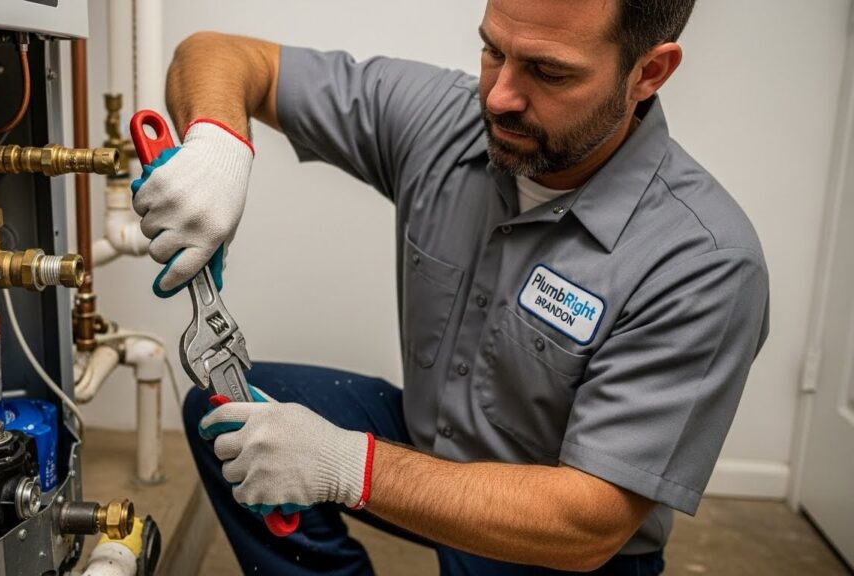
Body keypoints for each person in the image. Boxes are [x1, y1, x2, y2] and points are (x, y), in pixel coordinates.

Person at [130, 1, 770, 574]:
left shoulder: (702, 261)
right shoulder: (446, 117)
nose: (499, 97)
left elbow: (588, 524)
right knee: (227, 419)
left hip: (557, 546)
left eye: (549, 72)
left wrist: (347, 466)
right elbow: (215, 54)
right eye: (493, 50)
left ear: (648, 72)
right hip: (431, 445)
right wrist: (218, 147)